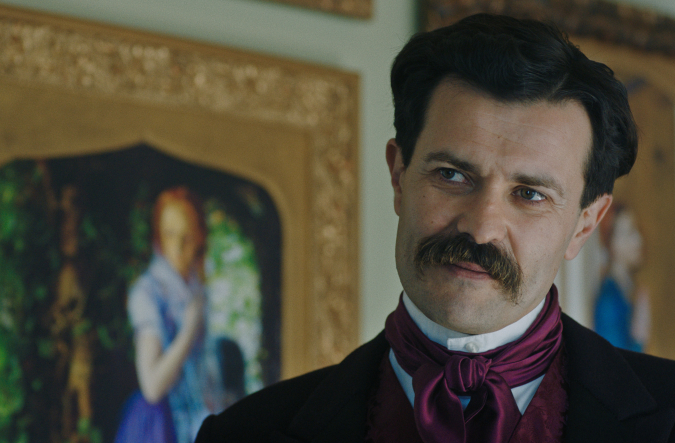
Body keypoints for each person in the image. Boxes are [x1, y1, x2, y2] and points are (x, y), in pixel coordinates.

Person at [196, 14, 675, 442]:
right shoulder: (242, 434)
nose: (481, 228)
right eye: (452, 175)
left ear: (585, 225)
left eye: (530, 194)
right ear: (398, 175)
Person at [116, 187, 222, 443]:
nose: (178, 246)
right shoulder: (149, 292)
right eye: (170, 234)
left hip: (196, 422)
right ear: (159, 237)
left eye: (187, 235)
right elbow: (152, 387)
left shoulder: (197, 288)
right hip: (158, 426)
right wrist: (188, 330)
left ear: (200, 236)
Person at [594, 204, 651, 352]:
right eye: (630, 232)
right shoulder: (609, 300)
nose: (639, 239)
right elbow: (615, 362)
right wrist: (639, 338)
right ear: (612, 243)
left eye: (636, 230)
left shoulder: (627, 289)